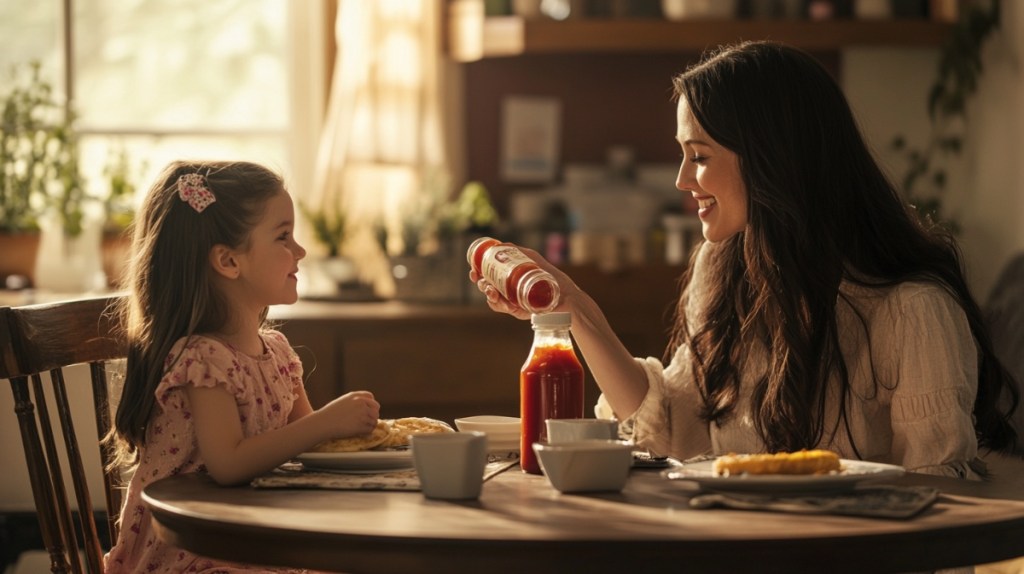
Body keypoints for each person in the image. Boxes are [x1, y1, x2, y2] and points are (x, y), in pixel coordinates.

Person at [472, 41, 1018, 479]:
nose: (683, 180)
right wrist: (576, 308)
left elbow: (939, 502)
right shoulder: (722, 269)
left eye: (700, 157)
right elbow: (672, 428)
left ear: (773, 159)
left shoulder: (913, 312)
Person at [103, 160, 381, 573]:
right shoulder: (202, 359)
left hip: (254, 541)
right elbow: (229, 463)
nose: (300, 251)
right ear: (229, 262)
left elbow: (314, 449)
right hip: (194, 556)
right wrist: (327, 421)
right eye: (284, 236)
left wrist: (375, 441)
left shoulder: (279, 353)